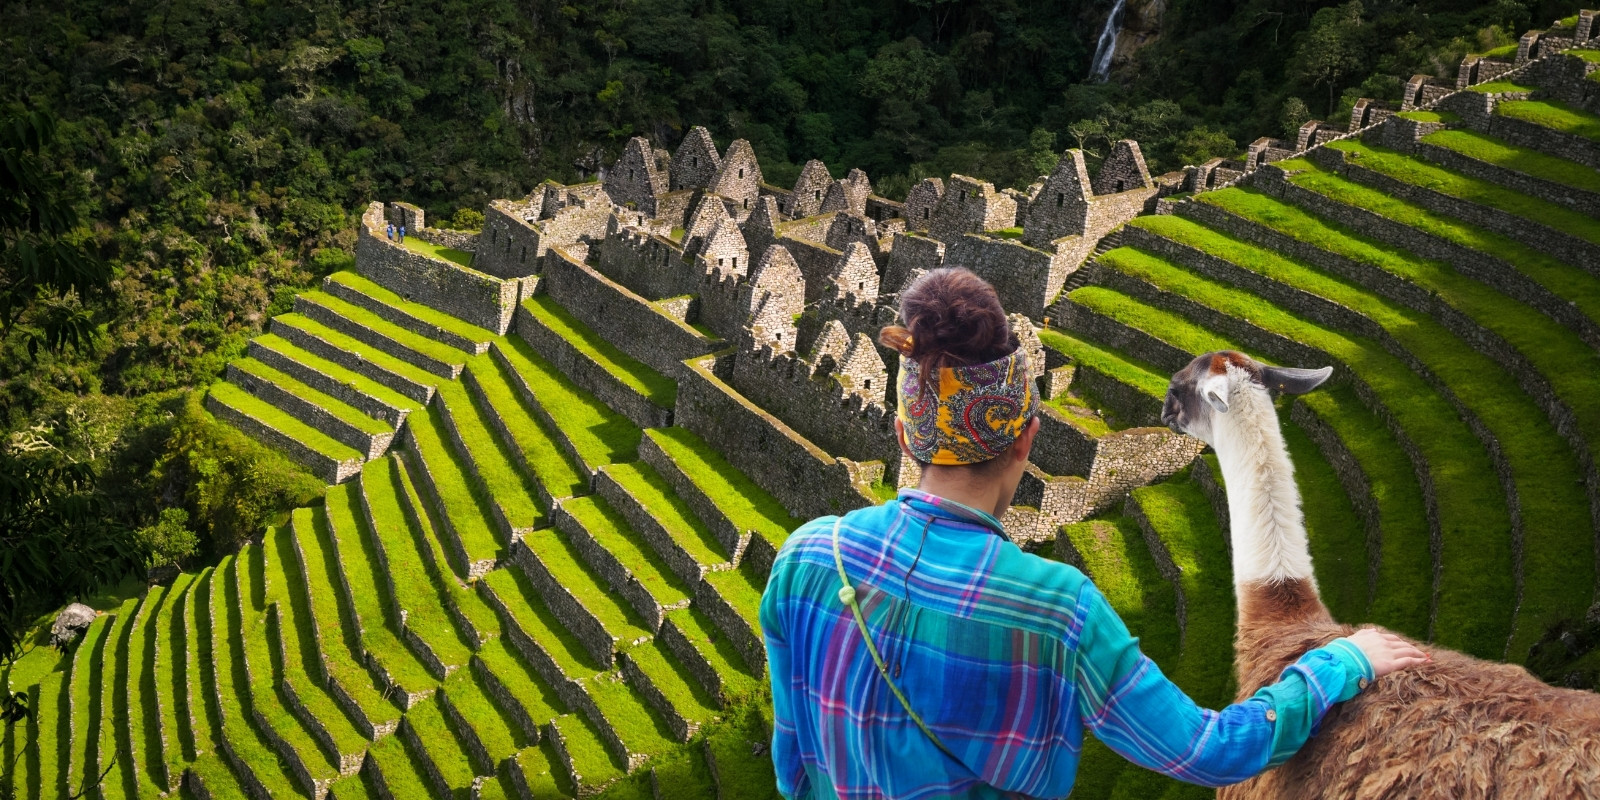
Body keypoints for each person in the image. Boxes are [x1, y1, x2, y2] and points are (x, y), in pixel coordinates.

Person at [759, 267, 1428, 799]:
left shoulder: (806, 557)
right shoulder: (1058, 610)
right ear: (1028, 435)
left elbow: (792, 770)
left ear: (905, 433)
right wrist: (1346, 660)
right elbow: (1208, 751)